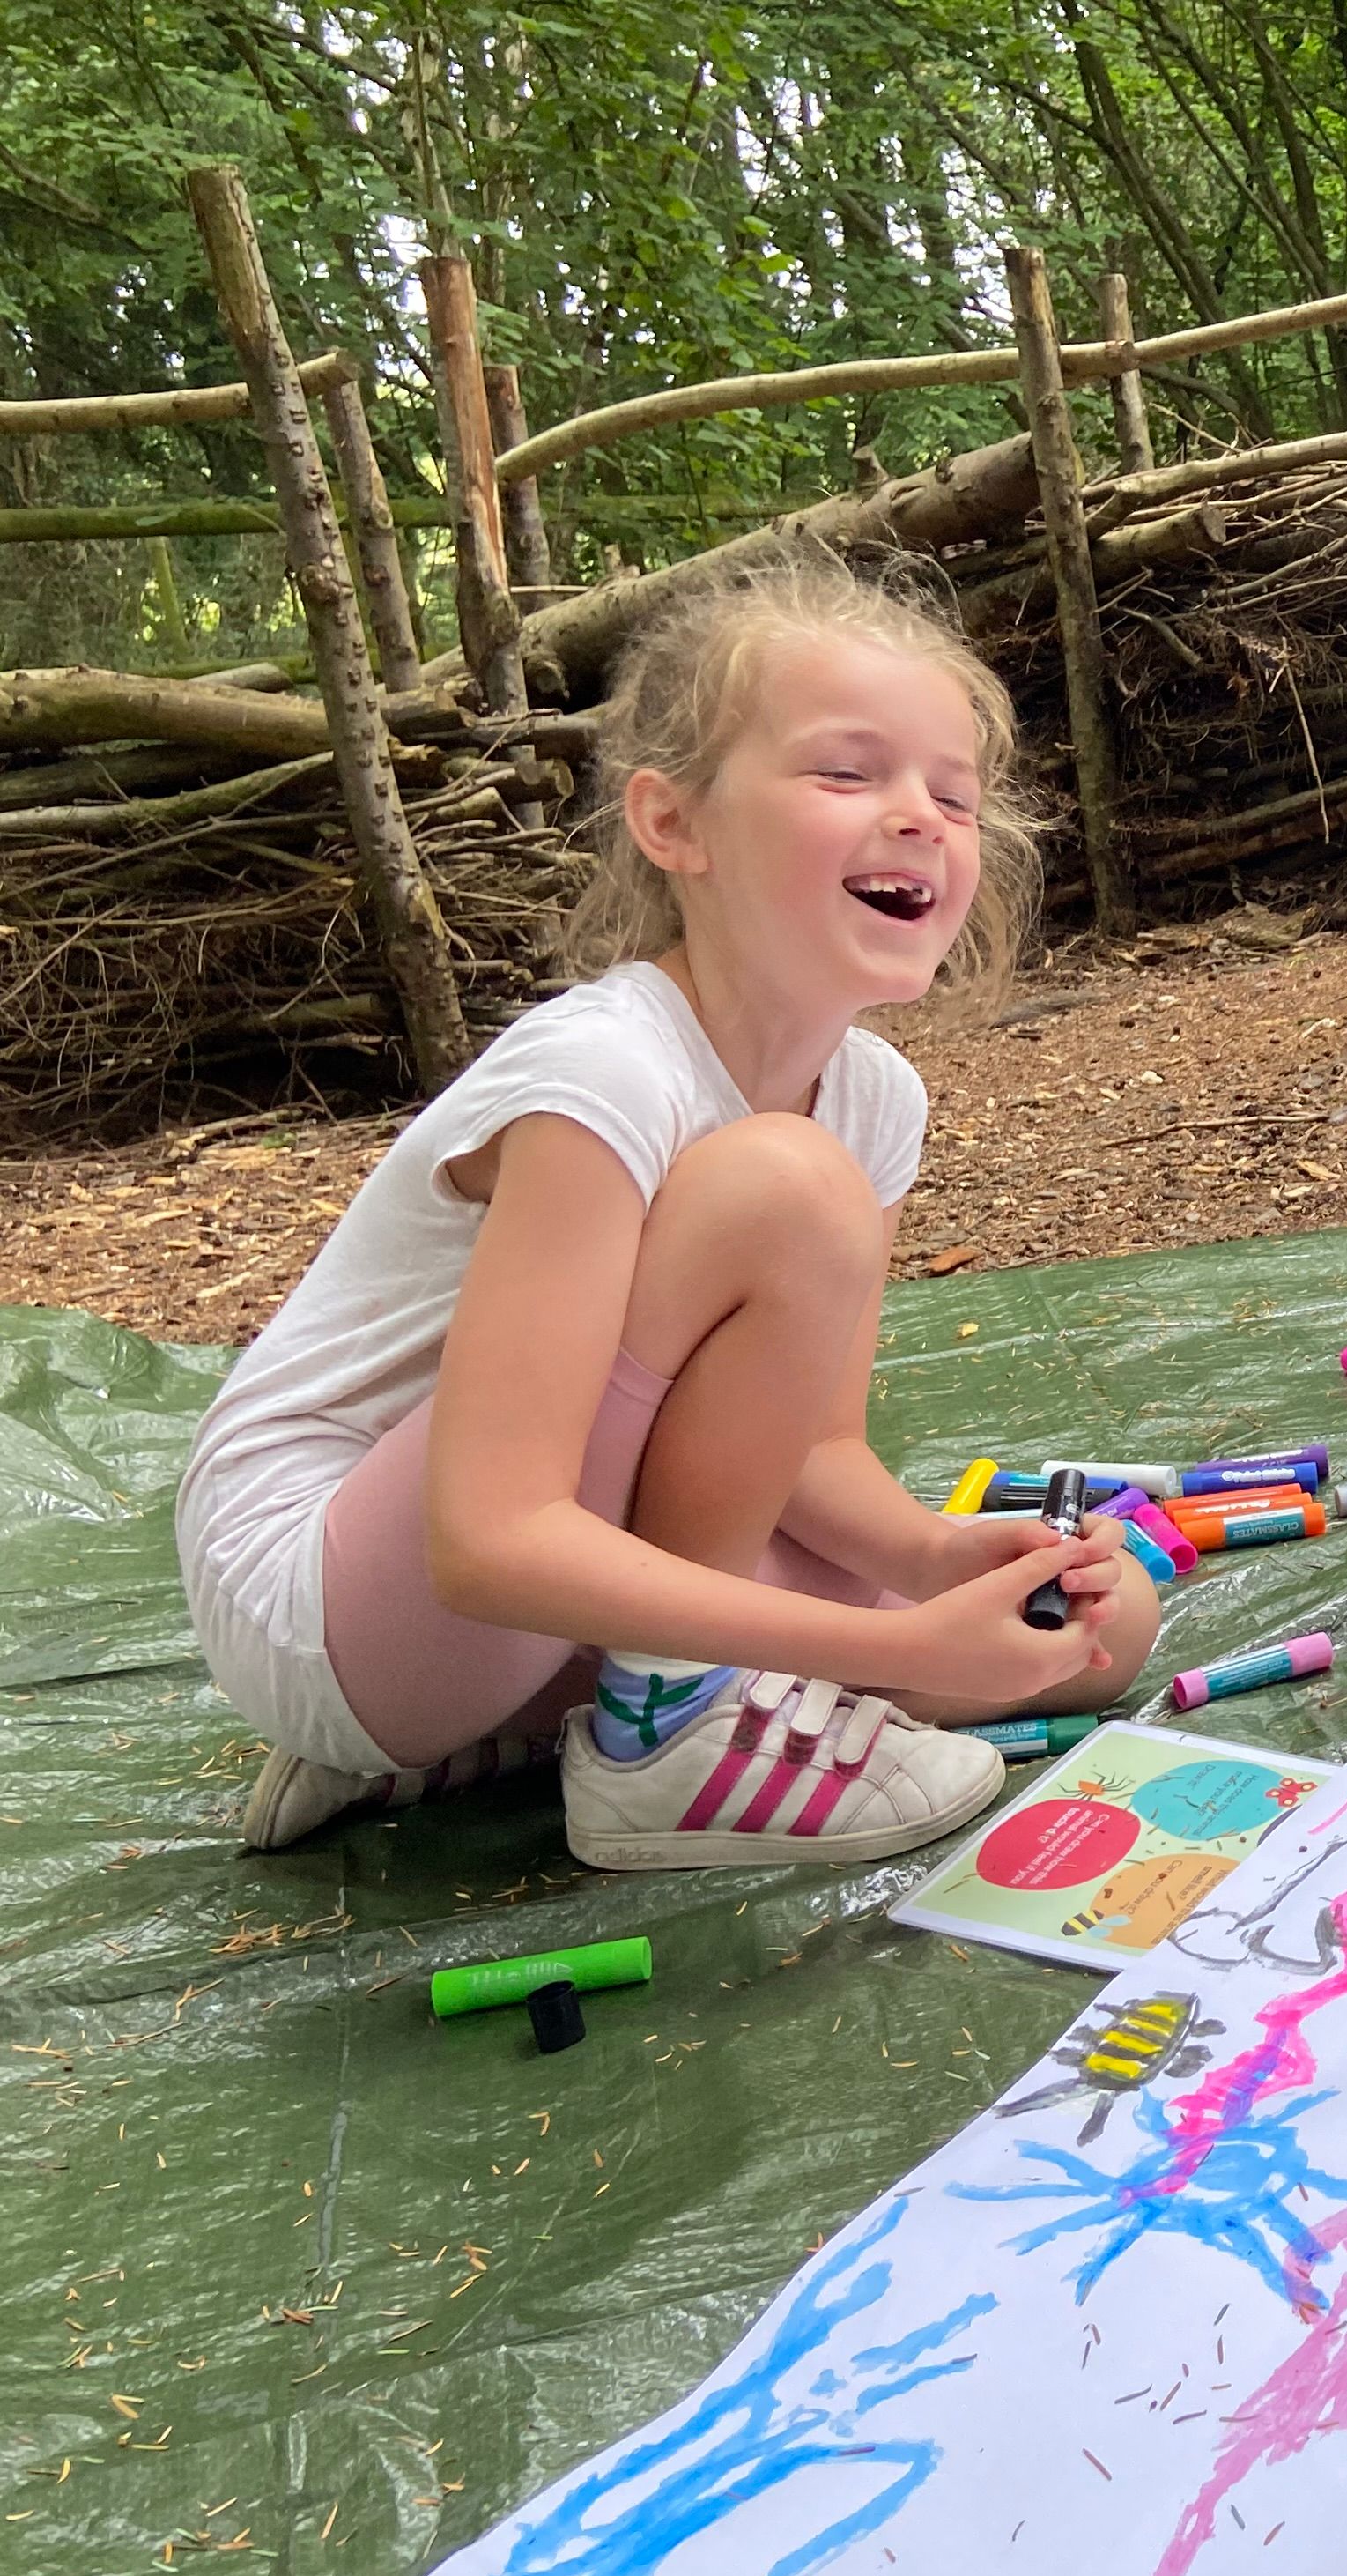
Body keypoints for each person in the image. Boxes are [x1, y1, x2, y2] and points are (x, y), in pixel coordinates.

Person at [181, 554, 1158, 1871]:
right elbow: (487, 1540)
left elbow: (800, 1452)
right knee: (785, 1191)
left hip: (494, 1589)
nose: (920, 816)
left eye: (954, 793)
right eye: (847, 773)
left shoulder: (870, 1101)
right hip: (336, 1584)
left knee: (1095, 1642)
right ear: (673, 825)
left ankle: (541, 1722)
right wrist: (885, 1646)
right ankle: (662, 1733)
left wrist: (931, 1559)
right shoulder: (604, 1072)